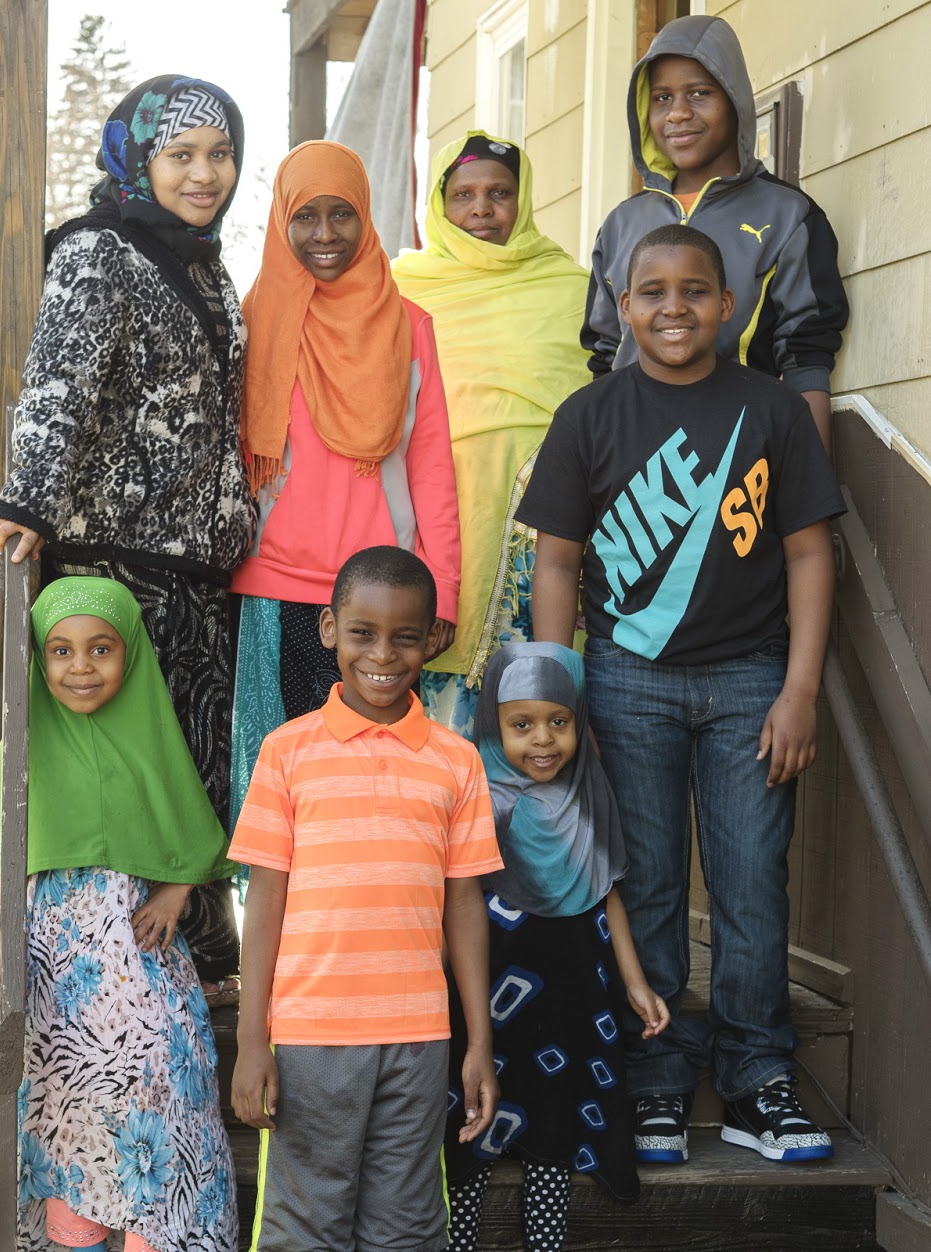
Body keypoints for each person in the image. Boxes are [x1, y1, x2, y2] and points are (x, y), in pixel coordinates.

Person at [518, 226, 846, 1165]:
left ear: (727, 304)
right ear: (622, 307)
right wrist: (555, 688)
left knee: (750, 882)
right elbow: (556, 559)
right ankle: (657, 1080)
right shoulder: (590, 414)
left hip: (752, 681)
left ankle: (755, 1079)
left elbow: (808, 551)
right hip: (625, 679)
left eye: (694, 290)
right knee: (649, 885)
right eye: (651, 291)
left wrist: (800, 690)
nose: (673, 307)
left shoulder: (773, 410)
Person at [0, 75, 255, 999]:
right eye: (180, 154)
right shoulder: (100, 251)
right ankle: (120, 974)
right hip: (113, 560)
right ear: (137, 158)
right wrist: (24, 503)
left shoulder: (202, 262)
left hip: (193, 565)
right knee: (140, 767)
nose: (204, 173)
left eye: (220, 154)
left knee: (195, 763)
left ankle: (195, 957)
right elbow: (58, 382)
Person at [229, 547, 503, 1250]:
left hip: (418, 1038)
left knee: (406, 1227)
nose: (383, 653)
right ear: (327, 629)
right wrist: (252, 1038)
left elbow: (465, 905)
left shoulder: (457, 760)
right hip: (310, 1039)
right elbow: (264, 901)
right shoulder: (286, 753)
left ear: (433, 640)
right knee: (306, 1224)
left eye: (405, 636)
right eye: (362, 632)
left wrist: (479, 1042)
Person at [0, 577, 238, 1252]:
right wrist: (0, 963)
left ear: (130, 652)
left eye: (100, 649)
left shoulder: (150, 741)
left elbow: (187, 832)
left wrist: (173, 893)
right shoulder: (20, 754)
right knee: (62, 1127)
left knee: (156, 1104)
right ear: (38, 661)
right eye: (61, 651)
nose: (80, 667)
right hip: (47, 985)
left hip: (138, 975)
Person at [229, 140, 461, 838]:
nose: (324, 234)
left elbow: (432, 470)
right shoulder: (253, 319)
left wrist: (441, 588)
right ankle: (292, 947)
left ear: (366, 218)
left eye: (341, 215)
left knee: (378, 795)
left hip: (380, 600)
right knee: (285, 799)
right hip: (272, 594)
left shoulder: (408, 325)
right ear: (280, 222)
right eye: (305, 217)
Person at [444, 641, 669, 1251]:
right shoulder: (475, 799)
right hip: (486, 996)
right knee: (466, 1132)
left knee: (556, 1122)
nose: (543, 741)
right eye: (521, 725)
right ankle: (457, 1241)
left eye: (559, 722)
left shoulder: (588, 796)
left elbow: (606, 892)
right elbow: (454, 902)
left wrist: (634, 982)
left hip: (569, 998)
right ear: (493, 721)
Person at [392, 132, 592, 738]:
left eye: (501, 193)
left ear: (524, 201)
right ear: (440, 204)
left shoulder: (571, 289)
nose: (482, 208)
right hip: (435, 525)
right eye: (464, 195)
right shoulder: (399, 287)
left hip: (543, 536)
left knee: (536, 710)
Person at [581, 13, 848, 451]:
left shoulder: (787, 215)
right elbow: (604, 357)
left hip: (736, 453)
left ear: (735, 101)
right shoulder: (620, 224)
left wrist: (810, 488)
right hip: (630, 459)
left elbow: (806, 357)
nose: (679, 113)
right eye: (662, 98)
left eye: (700, 93)